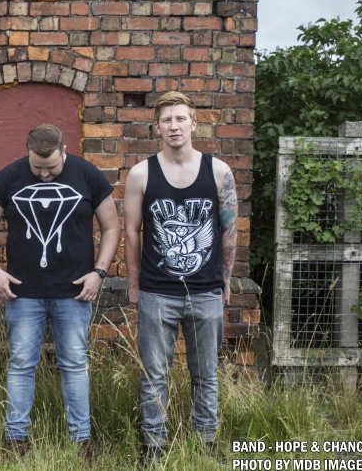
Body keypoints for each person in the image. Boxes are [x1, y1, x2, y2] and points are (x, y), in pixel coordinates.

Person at [0, 124, 121, 456]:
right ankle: (15, 439)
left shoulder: (88, 175)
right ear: (27, 153)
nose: (43, 175)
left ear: (64, 151)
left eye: (51, 168)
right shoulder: (10, 177)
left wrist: (99, 272)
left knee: (73, 363)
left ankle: (81, 441)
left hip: (74, 293)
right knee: (21, 363)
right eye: (36, 167)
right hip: (23, 293)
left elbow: (112, 227)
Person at [123, 91, 237, 464]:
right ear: (156, 127)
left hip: (206, 291)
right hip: (157, 292)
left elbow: (229, 231)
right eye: (167, 120)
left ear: (194, 124)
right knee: (153, 376)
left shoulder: (219, 172)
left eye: (181, 118)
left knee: (206, 375)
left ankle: (205, 443)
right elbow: (132, 233)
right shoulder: (141, 173)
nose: (174, 126)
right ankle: (153, 449)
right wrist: (135, 285)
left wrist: (226, 279)